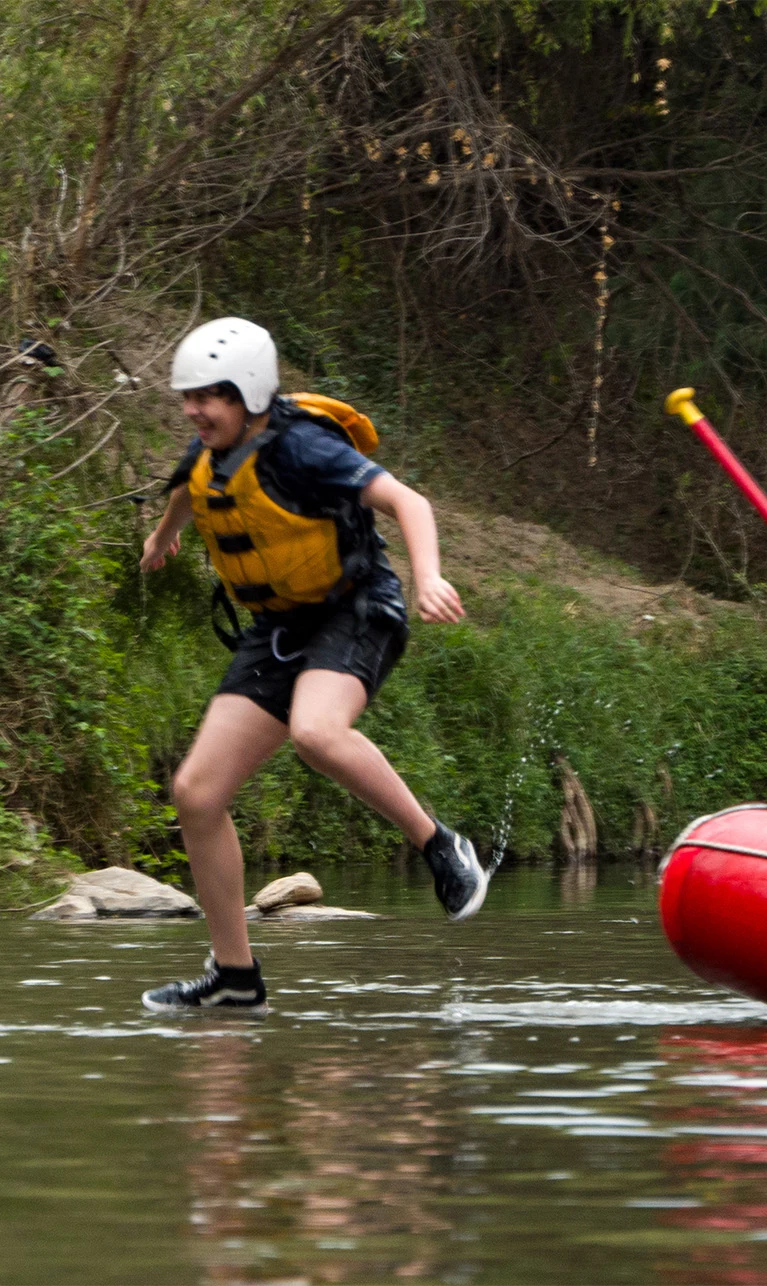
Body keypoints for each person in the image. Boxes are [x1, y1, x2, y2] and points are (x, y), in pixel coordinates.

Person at [136, 318, 488, 1012]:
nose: (193, 409)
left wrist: (428, 577)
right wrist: (161, 536)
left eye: (208, 396)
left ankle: (441, 847)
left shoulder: (305, 449)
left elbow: (406, 501)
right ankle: (236, 979)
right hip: (279, 624)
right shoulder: (209, 450)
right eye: (188, 396)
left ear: (249, 393)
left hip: (357, 609)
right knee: (197, 793)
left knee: (317, 732)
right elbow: (187, 488)